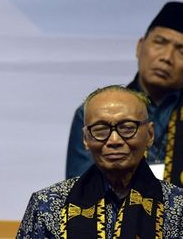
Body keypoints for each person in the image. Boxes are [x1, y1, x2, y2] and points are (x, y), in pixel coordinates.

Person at [19, 85, 183, 238]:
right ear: (85, 139)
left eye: (127, 127)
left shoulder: (177, 205)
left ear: (150, 134)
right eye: (101, 129)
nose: (114, 140)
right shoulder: (47, 205)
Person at [66, 2, 183, 183]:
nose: (167, 58)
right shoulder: (95, 113)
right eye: (160, 43)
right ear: (140, 46)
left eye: (181, 51)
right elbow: (81, 189)